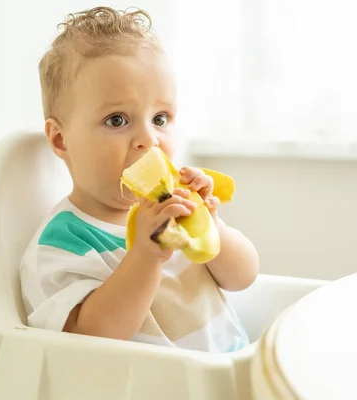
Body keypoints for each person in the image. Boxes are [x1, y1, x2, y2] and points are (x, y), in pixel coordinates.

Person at [19, 6, 260, 353]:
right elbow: (89, 341)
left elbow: (244, 276)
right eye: (117, 120)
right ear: (61, 139)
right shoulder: (63, 242)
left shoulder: (177, 208)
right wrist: (145, 255)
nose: (150, 139)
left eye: (160, 118)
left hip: (228, 371)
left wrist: (210, 223)